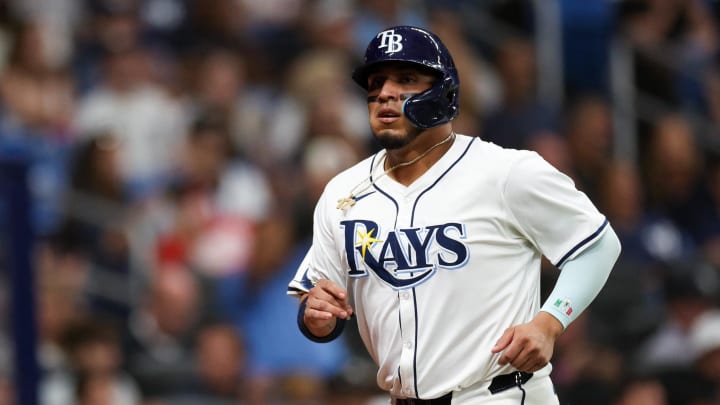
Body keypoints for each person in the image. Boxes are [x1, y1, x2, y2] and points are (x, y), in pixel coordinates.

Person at [287, 25, 622, 404]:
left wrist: (550, 321)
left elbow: (598, 246)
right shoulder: (342, 192)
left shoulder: (506, 171)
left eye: (406, 79)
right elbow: (317, 303)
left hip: (498, 394)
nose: (384, 94)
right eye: (376, 83)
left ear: (443, 90)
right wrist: (315, 316)